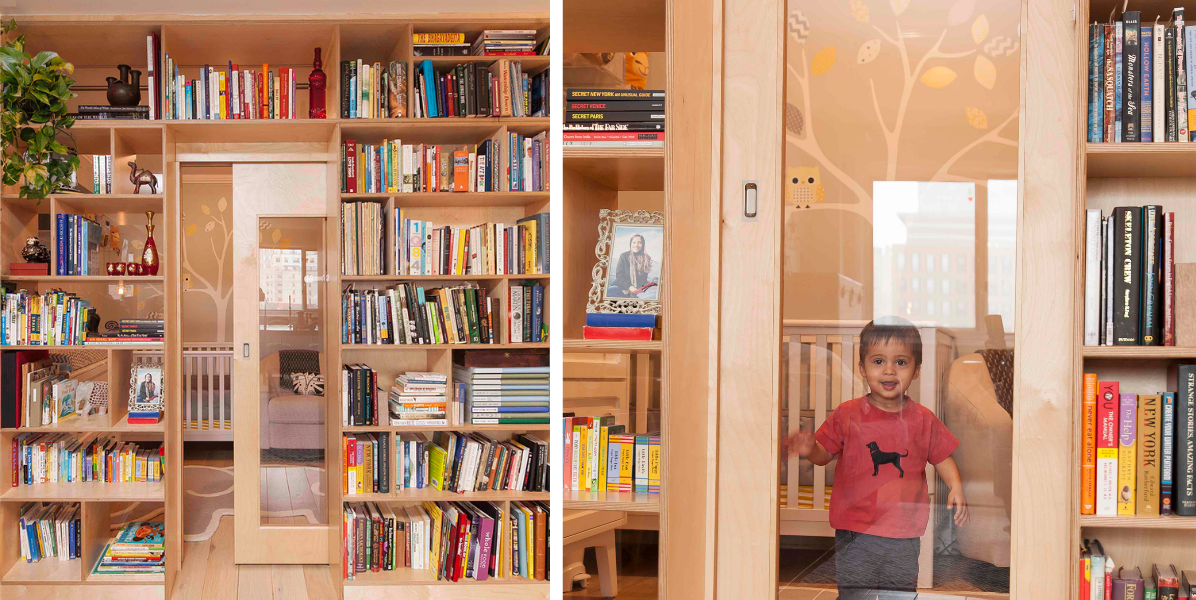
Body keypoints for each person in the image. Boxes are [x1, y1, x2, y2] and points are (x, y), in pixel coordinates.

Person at [786, 317, 968, 599]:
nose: (890, 371)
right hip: (855, 528)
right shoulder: (847, 414)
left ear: (916, 371)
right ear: (862, 368)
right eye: (879, 361)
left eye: (901, 362)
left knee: (900, 593)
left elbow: (942, 456)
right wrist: (810, 448)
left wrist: (955, 485)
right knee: (855, 592)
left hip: (903, 529)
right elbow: (824, 455)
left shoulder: (923, 419)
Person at [607, 233, 658, 299]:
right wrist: (631, 288)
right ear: (630, 244)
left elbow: (643, 279)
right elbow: (619, 276)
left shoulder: (646, 259)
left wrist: (646, 287)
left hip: (637, 289)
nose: (636, 245)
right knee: (609, 291)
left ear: (643, 245)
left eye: (639, 243)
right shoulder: (624, 256)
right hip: (621, 286)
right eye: (634, 242)